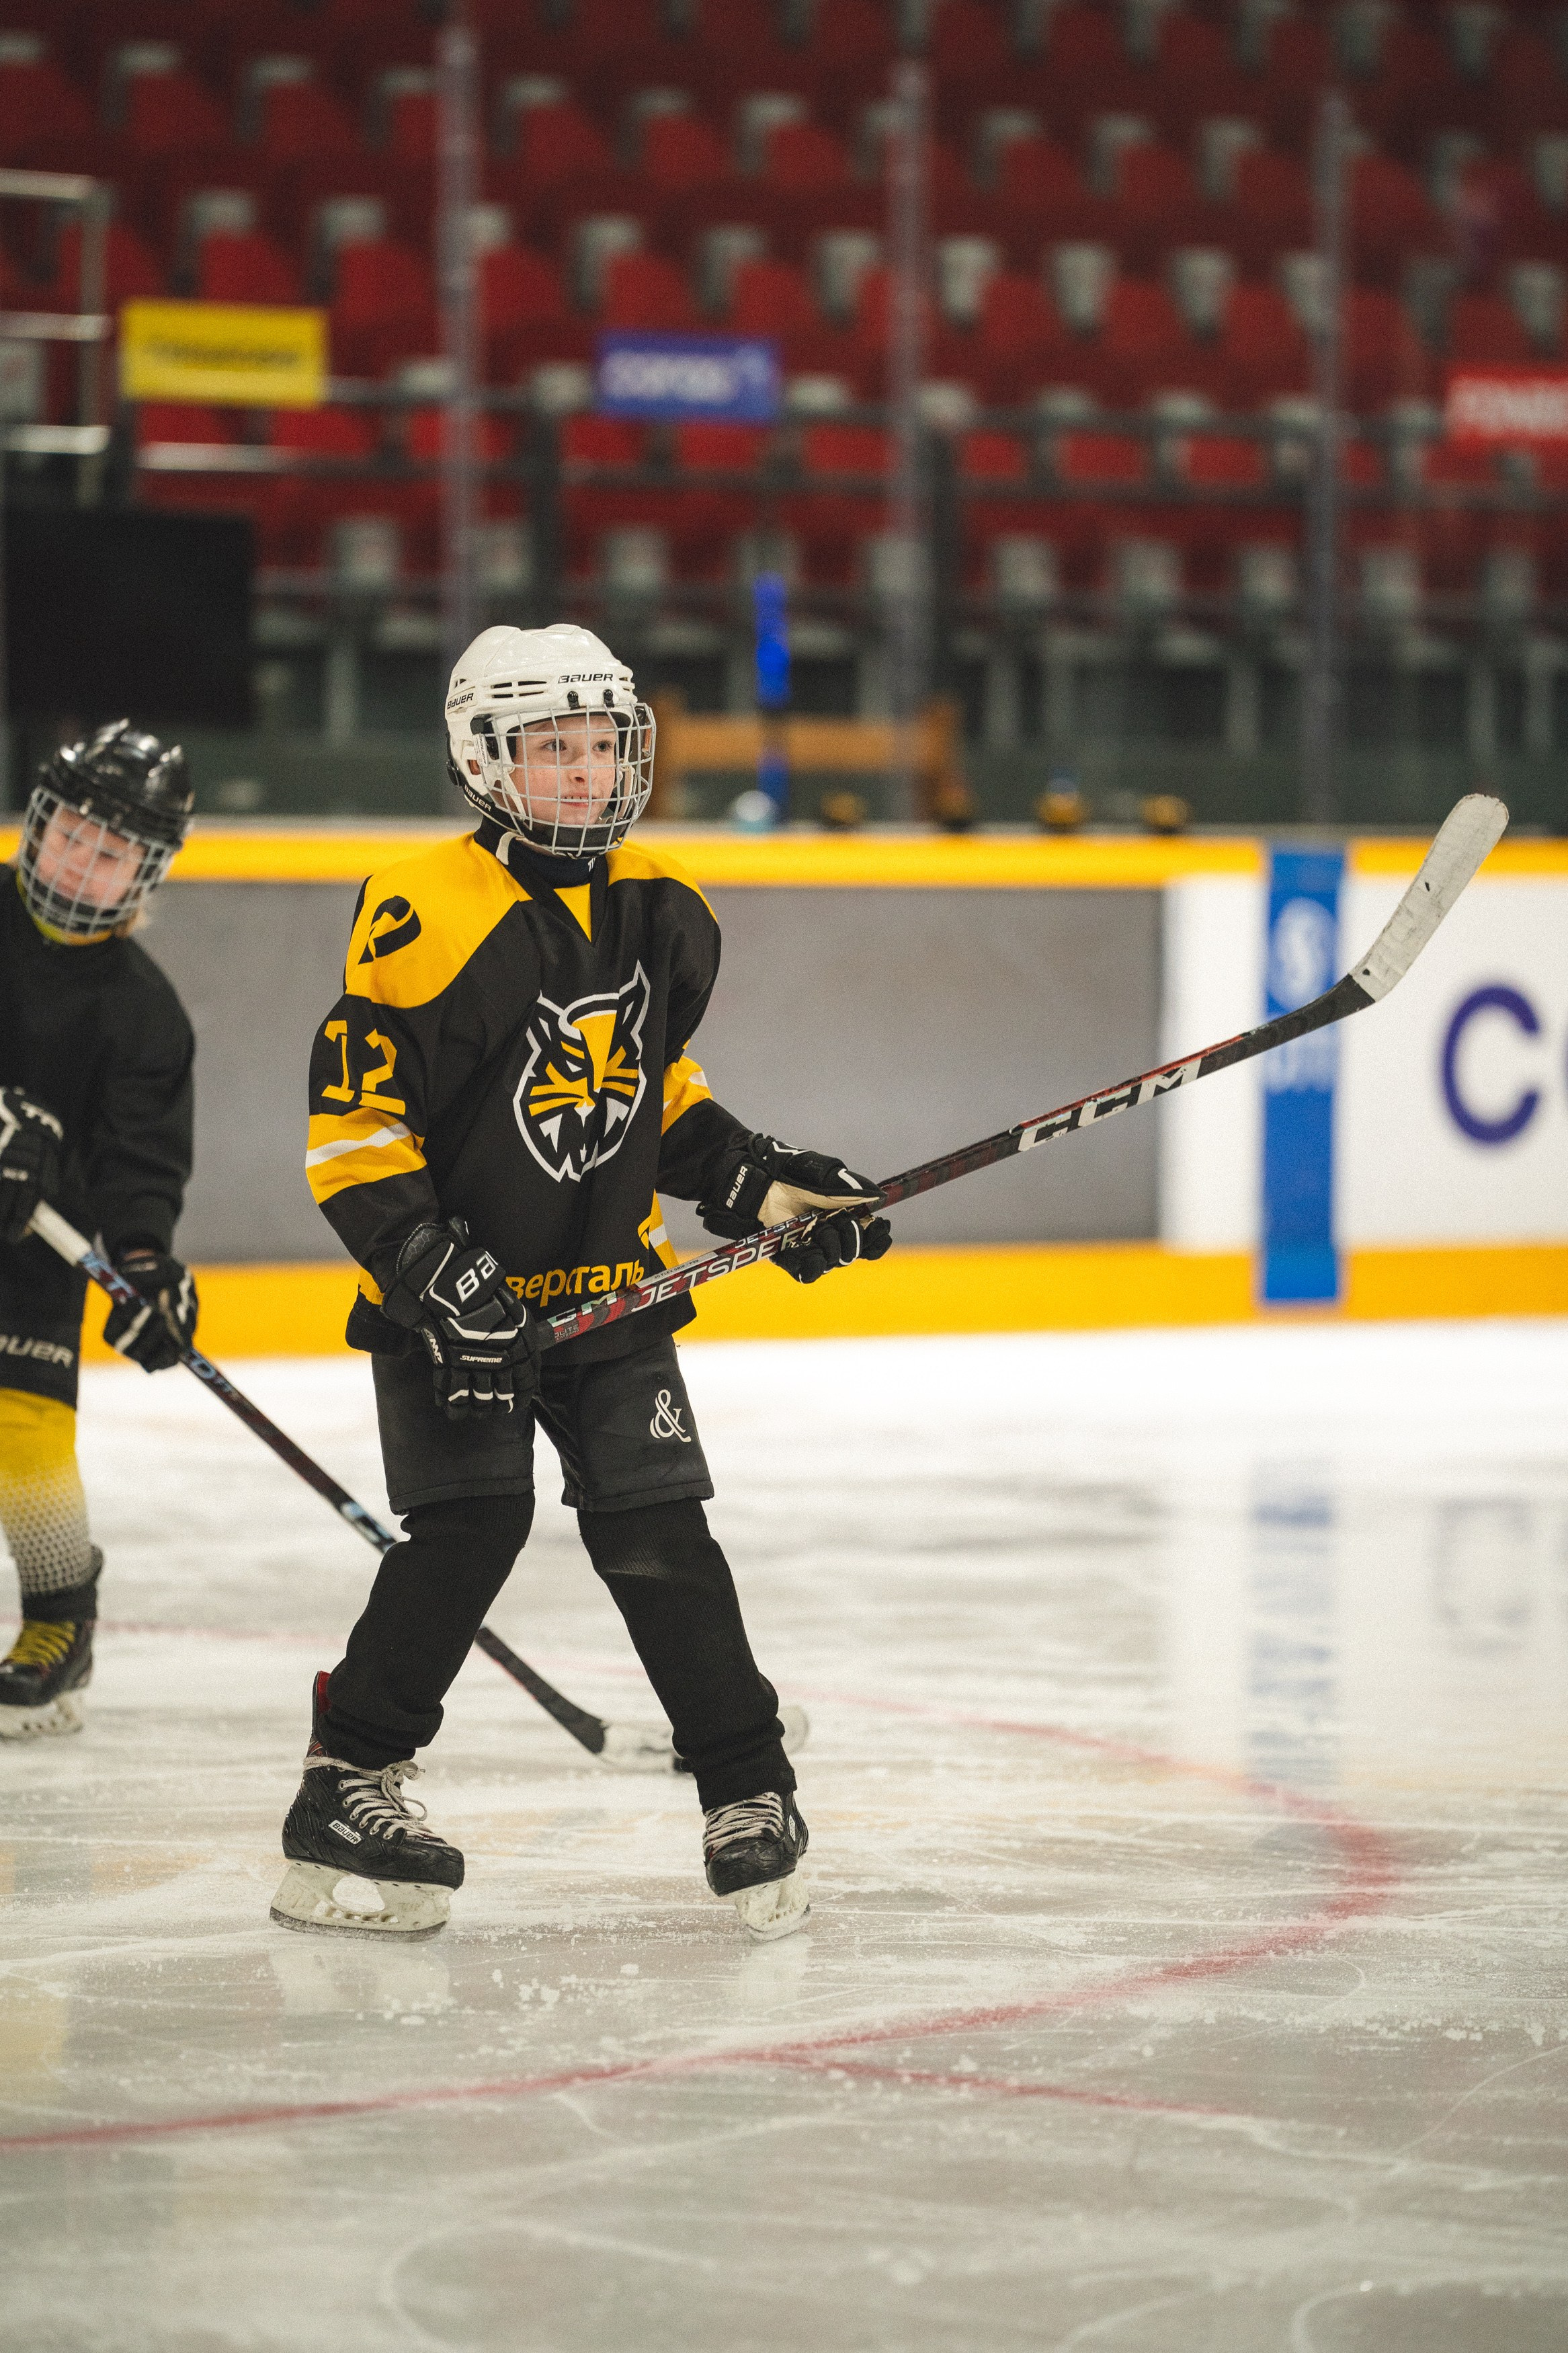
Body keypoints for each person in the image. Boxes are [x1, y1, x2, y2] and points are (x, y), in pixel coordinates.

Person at [274, 623, 890, 1942]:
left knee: (661, 1527)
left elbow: (654, 1101)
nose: (587, 772)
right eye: (553, 748)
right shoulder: (424, 909)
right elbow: (355, 1135)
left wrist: (769, 1189)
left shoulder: (665, 907)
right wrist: (439, 1275)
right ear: (483, 759)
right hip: (458, 1309)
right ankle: (348, 1781)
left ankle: (747, 1786)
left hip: (609, 1289)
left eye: (604, 744)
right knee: (472, 1528)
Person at [0, 722, 199, 1739]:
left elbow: (140, 1166)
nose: (82, 860)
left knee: (23, 1434)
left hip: (27, 1253)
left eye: (111, 850)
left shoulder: (145, 1015)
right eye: (74, 832)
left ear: (146, 871)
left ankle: (59, 1622)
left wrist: (145, 1265)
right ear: (40, 822)